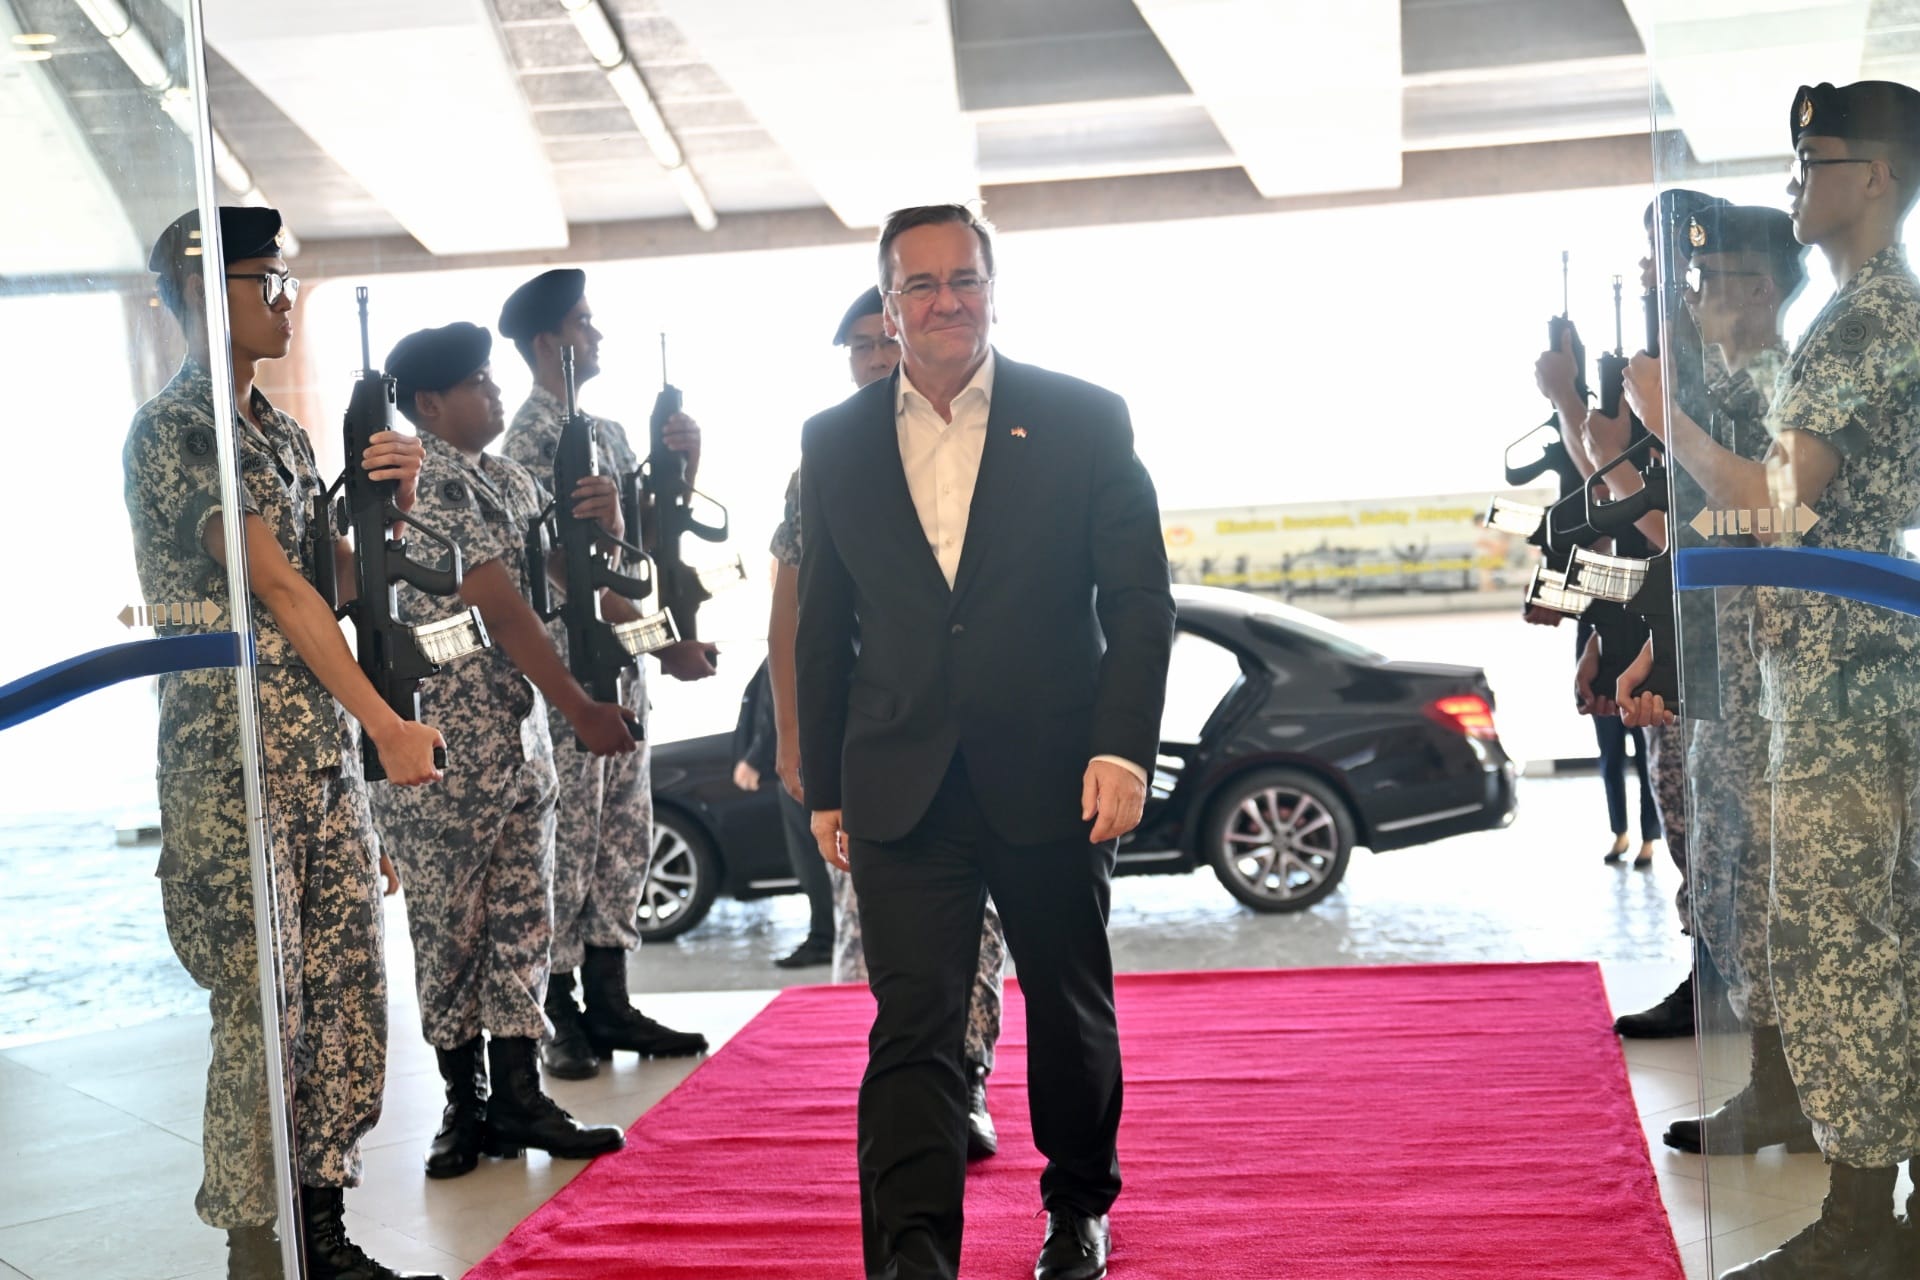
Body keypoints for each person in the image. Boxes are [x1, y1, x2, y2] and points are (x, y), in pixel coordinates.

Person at [796, 205, 1176, 1280]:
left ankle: (1077, 1206)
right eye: (921, 285)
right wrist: (823, 783)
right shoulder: (834, 442)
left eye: (964, 279)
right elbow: (825, 623)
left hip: (1055, 776)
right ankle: (912, 1252)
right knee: (913, 1022)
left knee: (1065, 1000)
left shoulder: (1085, 418)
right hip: (899, 782)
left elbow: (1141, 600)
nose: (946, 300)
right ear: (889, 305)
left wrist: (1122, 746)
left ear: (994, 289)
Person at [1623, 80, 1920, 1278]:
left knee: (1850, 940)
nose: (1797, 181)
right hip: (1823, 670)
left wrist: (1670, 421)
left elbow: (1783, 504)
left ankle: (1867, 1221)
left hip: (1855, 678)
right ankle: (1863, 1204)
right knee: (1828, 934)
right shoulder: (1851, 314)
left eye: (1818, 160)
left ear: (1880, 179)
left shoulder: (1875, 320)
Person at [125, 206, 444, 1280]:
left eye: (287, 279)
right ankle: (260, 1252)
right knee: (268, 1016)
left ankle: (324, 1232)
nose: (284, 298)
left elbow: (341, 582)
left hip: (313, 761)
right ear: (200, 291)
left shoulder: (284, 435)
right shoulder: (181, 432)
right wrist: (389, 727)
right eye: (266, 279)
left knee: (347, 997)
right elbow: (278, 587)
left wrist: (390, 509)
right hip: (235, 771)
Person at [371, 322, 638, 1180]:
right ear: (428, 404)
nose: (493, 395)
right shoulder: (408, 486)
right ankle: (465, 1106)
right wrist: (582, 706)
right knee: (450, 930)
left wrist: (607, 533)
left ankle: (520, 1095)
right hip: (446, 748)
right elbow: (498, 604)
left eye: (493, 380)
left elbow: (554, 577)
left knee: (524, 919)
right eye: (477, 384)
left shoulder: (514, 479)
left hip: (518, 745)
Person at [767, 286, 1008, 1156]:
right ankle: (915, 1080)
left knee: (976, 924)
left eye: (882, 340)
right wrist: (797, 742)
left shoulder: (983, 440)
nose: (874, 358)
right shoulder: (826, 457)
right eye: (859, 348)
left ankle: (967, 1078)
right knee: (886, 937)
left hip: (980, 742)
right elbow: (793, 619)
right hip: (875, 747)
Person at [1611, 205, 1818, 1151]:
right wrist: (1662, 643)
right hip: (1732, 677)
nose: (1694, 302)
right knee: (1745, 888)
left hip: (1784, 686)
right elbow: (1698, 544)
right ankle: (1775, 1089)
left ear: (1760, 291)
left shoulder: (1774, 386)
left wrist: (1667, 420)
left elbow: (1764, 515)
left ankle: (1798, 1101)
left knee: (1783, 900)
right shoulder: (1733, 386)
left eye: (1709, 283)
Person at [498, 268, 711, 1080]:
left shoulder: (610, 434)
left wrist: (680, 467)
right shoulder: (527, 446)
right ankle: (559, 1013)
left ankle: (611, 999)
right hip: (572, 678)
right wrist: (666, 644)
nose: (598, 336)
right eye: (585, 324)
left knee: (621, 836)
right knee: (570, 846)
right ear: (550, 342)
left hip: (618, 671)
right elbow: (565, 573)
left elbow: (641, 556)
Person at [731, 655, 836, 967]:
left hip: (804, 760)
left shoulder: (795, 623)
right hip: (808, 757)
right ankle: (827, 936)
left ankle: (825, 938)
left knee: (814, 856)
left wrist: (757, 757)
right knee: (816, 856)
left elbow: (785, 701)